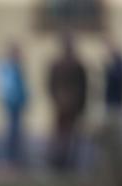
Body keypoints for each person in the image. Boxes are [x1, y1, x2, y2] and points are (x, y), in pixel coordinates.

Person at [47, 33, 88, 172]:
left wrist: (57, 99)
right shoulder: (68, 65)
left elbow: (82, 86)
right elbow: (51, 85)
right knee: (65, 135)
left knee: (67, 135)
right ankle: (62, 161)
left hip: (68, 105)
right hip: (67, 105)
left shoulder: (68, 65)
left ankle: (63, 161)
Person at [0, 41, 28, 168]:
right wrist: (7, 98)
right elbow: (3, 86)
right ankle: (6, 159)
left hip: (18, 104)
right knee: (10, 133)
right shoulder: (6, 68)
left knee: (16, 133)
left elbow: (22, 87)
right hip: (10, 103)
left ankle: (14, 159)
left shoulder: (17, 68)